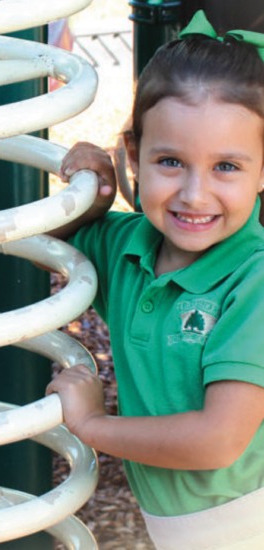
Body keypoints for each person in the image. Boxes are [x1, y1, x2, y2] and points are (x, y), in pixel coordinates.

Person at [46, 10, 264, 550]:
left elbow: (217, 441)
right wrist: (92, 187)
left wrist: (92, 425)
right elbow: (45, 248)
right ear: (134, 158)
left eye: (227, 167)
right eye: (170, 161)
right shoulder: (128, 246)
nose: (194, 194)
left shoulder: (254, 278)